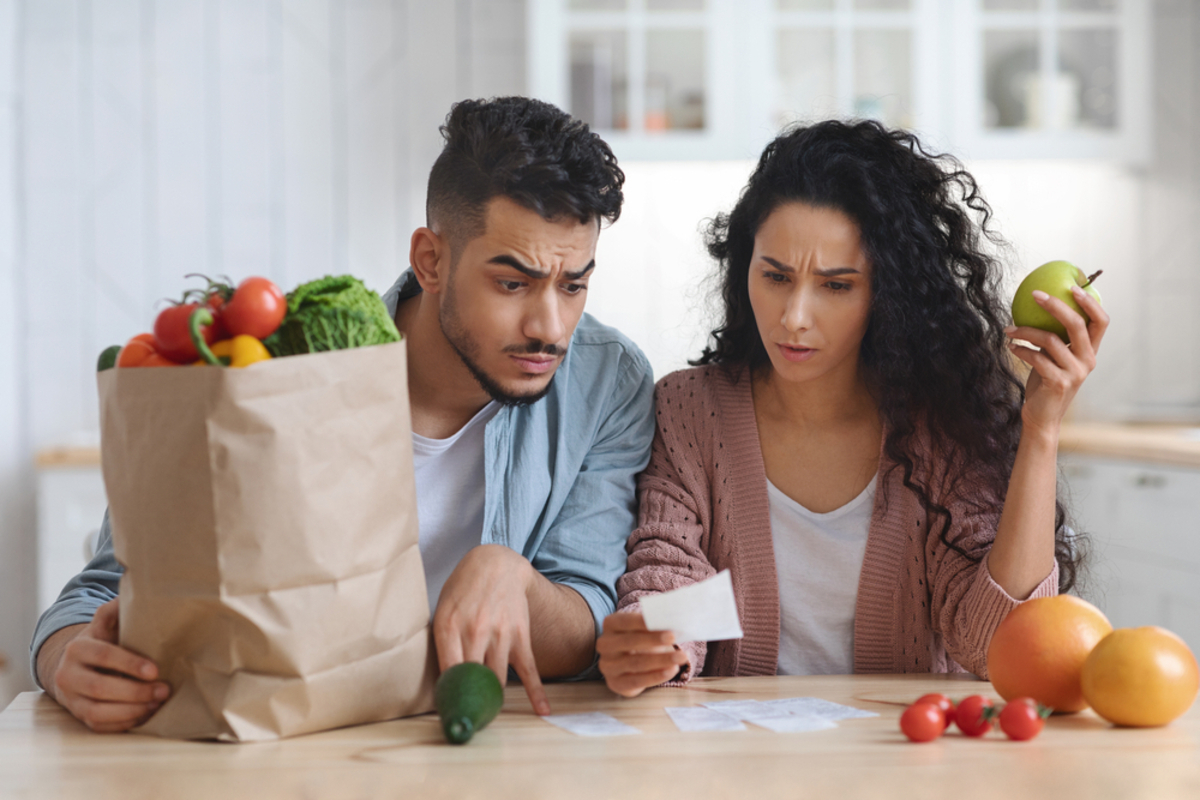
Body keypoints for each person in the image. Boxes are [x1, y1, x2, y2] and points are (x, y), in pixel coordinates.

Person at [33, 96, 656, 730]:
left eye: (573, 284)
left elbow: (589, 625)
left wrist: (512, 577)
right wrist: (65, 662)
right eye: (513, 283)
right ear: (431, 260)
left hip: (470, 747)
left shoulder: (609, 381)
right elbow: (100, 590)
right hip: (265, 743)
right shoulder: (281, 365)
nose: (550, 327)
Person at [596, 119, 1107, 696]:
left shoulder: (941, 426)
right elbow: (669, 575)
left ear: (885, 294)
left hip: (902, 762)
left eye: (836, 286)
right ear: (745, 271)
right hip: (737, 760)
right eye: (775, 276)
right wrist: (652, 643)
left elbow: (995, 645)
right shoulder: (691, 408)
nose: (794, 316)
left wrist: (1040, 427)